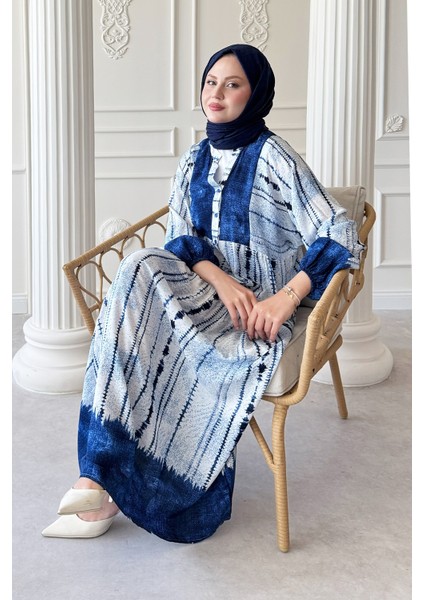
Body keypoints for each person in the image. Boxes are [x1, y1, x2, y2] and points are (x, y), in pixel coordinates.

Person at [42, 44, 364, 542]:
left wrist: (286, 298)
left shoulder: (276, 155)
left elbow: (340, 232)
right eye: (211, 82)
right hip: (204, 291)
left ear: (255, 93)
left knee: (138, 326)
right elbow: (180, 239)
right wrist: (222, 280)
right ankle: (96, 475)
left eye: (233, 84)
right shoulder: (193, 157)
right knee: (139, 265)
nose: (217, 93)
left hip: (256, 308)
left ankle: (103, 488)